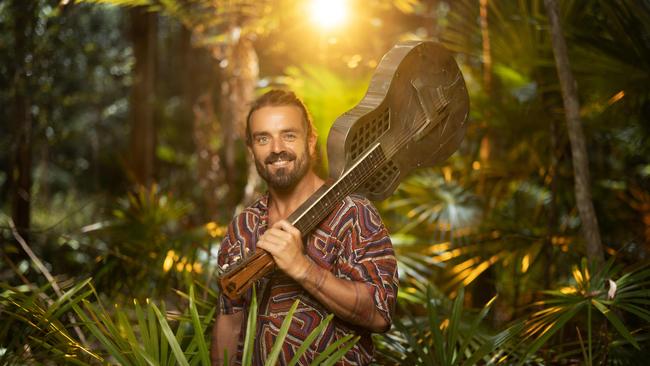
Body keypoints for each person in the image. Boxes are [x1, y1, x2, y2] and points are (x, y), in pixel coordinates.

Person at [211, 90, 398, 366]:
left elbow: (379, 315)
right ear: (251, 150)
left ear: (310, 142)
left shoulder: (354, 213)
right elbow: (230, 321)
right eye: (263, 138)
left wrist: (302, 267)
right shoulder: (243, 226)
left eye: (288, 135)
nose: (276, 148)